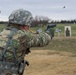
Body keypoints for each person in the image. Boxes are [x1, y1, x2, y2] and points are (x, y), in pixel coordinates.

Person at [0, 9, 54, 75]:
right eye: (28, 25)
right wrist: (49, 32)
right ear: (24, 25)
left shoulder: (3, 33)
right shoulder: (23, 36)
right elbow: (43, 40)